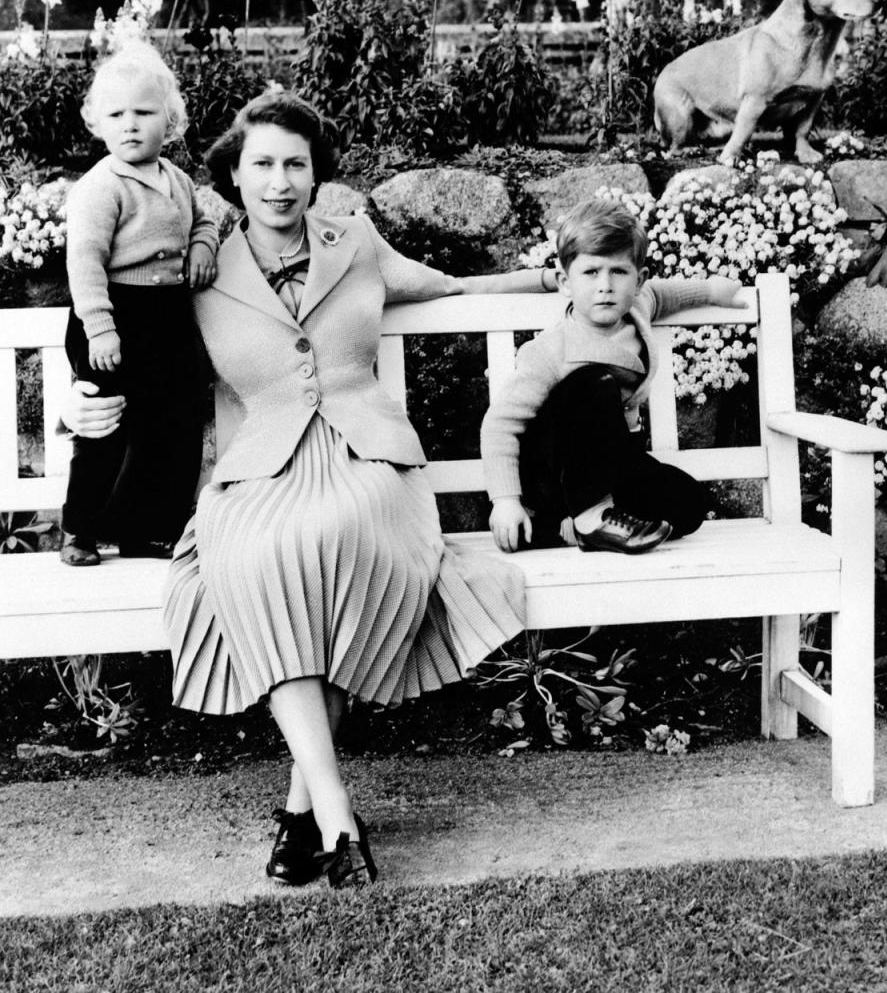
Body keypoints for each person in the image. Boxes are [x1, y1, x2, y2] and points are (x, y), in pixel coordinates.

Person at [64, 88, 558, 890]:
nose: (280, 181)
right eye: (262, 164)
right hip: (258, 468)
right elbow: (122, 344)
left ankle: (308, 811)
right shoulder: (197, 266)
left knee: (344, 542)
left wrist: (533, 281)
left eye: (296, 164)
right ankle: (331, 816)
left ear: (317, 173)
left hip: (367, 460)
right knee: (271, 557)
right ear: (234, 173)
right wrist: (82, 404)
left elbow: (437, 283)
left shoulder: (354, 241)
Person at [481, 198, 748, 556]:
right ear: (565, 281)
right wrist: (506, 501)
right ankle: (589, 516)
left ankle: (569, 529)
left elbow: (664, 294)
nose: (605, 285)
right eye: (591, 273)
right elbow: (500, 426)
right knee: (595, 383)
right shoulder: (551, 350)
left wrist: (712, 290)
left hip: (612, 461)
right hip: (555, 470)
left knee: (687, 503)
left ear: (638, 280)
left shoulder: (637, 307)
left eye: (618, 272)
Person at [60, 42, 218, 567]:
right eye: (116, 114)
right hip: (112, 314)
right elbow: (83, 261)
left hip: (167, 317)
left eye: (144, 113)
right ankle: (79, 529)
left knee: (171, 425)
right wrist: (101, 330)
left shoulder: (176, 179)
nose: (130, 124)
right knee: (106, 422)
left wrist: (201, 246)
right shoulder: (100, 187)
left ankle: (148, 529)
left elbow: (204, 220)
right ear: (98, 124)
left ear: (169, 121)